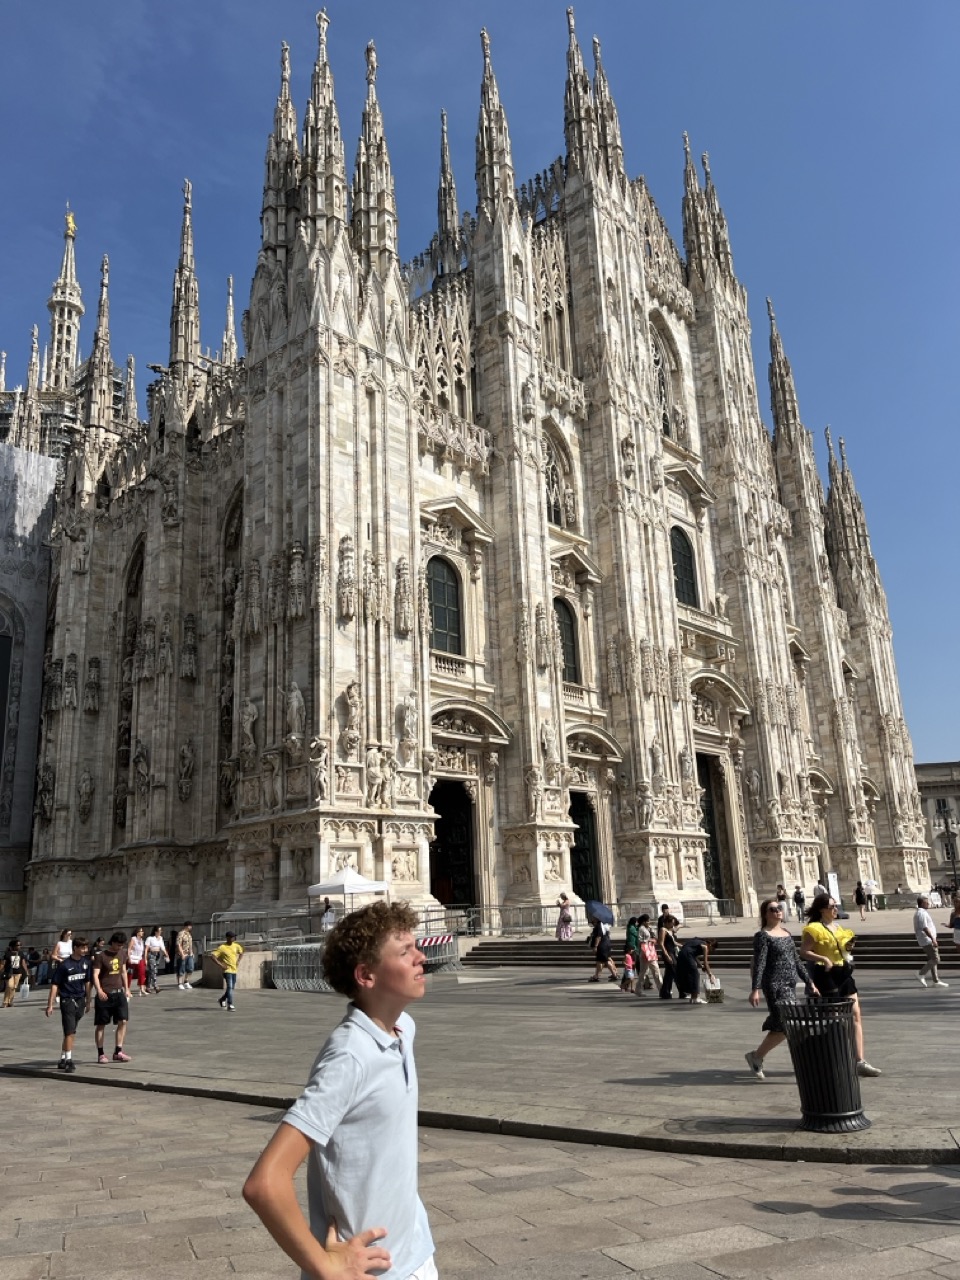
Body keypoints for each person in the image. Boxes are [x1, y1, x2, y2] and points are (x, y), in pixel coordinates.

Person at [243, 901, 433, 1280]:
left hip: (415, 1255)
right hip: (369, 1272)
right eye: (405, 952)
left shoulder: (402, 1029)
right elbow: (265, 1183)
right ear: (366, 975)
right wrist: (325, 1266)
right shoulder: (350, 1057)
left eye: (416, 946)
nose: (421, 957)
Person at [799, 893, 880, 1077]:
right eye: (832, 907)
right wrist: (824, 959)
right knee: (835, 1018)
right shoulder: (814, 929)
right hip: (826, 974)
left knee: (855, 1015)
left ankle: (860, 1061)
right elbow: (804, 952)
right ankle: (836, 1057)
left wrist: (848, 947)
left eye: (836, 906)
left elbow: (841, 950)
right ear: (822, 909)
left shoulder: (838, 927)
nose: (836, 909)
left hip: (843, 973)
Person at [745, 900, 818, 1080]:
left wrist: (809, 982)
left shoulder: (786, 933)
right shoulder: (763, 936)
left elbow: (796, 960)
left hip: (790, 984)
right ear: (765, 914)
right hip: (775, 985)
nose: (777, 911)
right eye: (773, 909)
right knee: (788, 1024)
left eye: (779, 908)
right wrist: (755, 988)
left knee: (784, 1026)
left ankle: (756, 1056)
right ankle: (801, 1063)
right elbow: (760, 963)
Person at [45, 935, 92, 1072]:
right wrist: (50, 1004)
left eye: (86, 947)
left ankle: (62, 1057)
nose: (85, 950)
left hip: (80, 999)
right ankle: (69, 1060)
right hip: (67, 1000)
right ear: (75, 948)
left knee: (70, 1031)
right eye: (82, 948)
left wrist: (89, 1000)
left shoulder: (86, 963)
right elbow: (55, 985)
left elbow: (88, 982)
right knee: (70, 1030)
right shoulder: (65, 965)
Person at [92, 931, 132, 1063]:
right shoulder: (101, 956)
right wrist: (99, 990)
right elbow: (95, 975)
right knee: (101, 1024)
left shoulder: (122, 953)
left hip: (119, 992)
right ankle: (101, 1053)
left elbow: (123, 971)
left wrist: (127, 989)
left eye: (122, 945)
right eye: (118, 945)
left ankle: (118, 1051)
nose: (120, 947)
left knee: (123, 1021)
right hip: (105, 993)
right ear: (113, 942)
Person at [914, 895, 947, 988]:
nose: (928, 903)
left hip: (926, 939)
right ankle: (921, 973)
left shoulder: (921, 912)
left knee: (932, 959)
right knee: (936, 959)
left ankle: (935, 980)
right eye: (926, 902)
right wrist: (933, 939)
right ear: (922, 903)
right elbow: (925, 928)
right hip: (927, 940)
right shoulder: (921, 914)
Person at [675, 937, 719, 1004]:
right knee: (695, 975)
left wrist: (701, 965)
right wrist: (710, 974)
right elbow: (705, 962)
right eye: (712, 949)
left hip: (681, 955)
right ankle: (695, 998)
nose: (711, 951)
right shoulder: (705, 947)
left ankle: (692, 997)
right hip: (688, 955)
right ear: (710, 945)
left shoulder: (697, 941)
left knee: (691, 974)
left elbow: (693, 955)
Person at [212, 932, 244, 1010]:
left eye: (234, 937)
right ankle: (230, 1004)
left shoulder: (236, 946)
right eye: (231, 937)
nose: (233, 939)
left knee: (231, 988)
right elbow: (213, 956)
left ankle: (222, 999)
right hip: (227, 970)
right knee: (229, 987)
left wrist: (238, 961)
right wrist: (221, 965)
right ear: (227, 938)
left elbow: (241, 952)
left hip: (234, 970)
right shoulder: (222, 947)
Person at [635, 914, 662, 995]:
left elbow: (655, 937)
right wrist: (649, 940)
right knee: (646, 972)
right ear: (644, 921)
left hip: (650, 952)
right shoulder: (641, 929)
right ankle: (639, 989)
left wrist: (652, 933)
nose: (649, 922)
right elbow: (640, 941)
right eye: (648, 921)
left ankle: (661, 989)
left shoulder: (649, 928)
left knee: (653, 971)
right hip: (645, 952)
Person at [587, 918, 619, 983]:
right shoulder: (603, 925)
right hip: (606, 944)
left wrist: (595, 946)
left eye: (594, 918)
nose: (592, 919)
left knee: (602, 961)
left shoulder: (599, 926)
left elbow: (598, 937)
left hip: (602, 945)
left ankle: (599, 976)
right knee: (603, 961)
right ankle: (612, 974)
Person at [1, 940, 29, 1007]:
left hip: (18, 972)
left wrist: (26, 971)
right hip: (9, 973)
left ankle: (10, 1001)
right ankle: (5, 1002)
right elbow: (3, 963)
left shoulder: (21, 953)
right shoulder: (7, 954)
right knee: (9, 986)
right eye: (18, 945)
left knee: (14, 987)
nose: (19, 946)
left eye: (20, 945)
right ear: (13, 946)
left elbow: (23, 963)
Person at [657, 912, 679, 999]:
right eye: (671, 923)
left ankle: (665, 992)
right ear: (667, 922)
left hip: (672, 952)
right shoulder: (663, 930)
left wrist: (683, 945)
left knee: (669, 973)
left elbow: (673, 943)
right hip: (668, 952)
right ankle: (681, 990)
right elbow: (661, 943)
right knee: (674, 970)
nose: (673, 925)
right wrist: (667, 955)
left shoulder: (669, 931)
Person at [144, 925, 169, 993]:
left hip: (157, 955)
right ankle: (155, 986)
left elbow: (162, 947)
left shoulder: (160, 938)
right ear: (155, 931)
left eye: (161, 931)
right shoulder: (150, 938)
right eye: (159, 931)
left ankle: (148, 986)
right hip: (151, 955)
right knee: (153, 970)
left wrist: (166, 954)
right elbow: (146, 949)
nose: (160, 932)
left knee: (151, 971)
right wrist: (145, 958)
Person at [127, 926, 147, 997]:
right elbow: (129, 949)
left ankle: (141, 988)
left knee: (142, 972)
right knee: (130, 974)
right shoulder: (133, 939)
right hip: (132, 958)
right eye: (141, 931)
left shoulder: (142, 940)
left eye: (142, 931)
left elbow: (142, 951)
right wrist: (129, 958)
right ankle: (127, 989)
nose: (142, 932)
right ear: (137, 932)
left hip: (139, 958)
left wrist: (144, 959)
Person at [175, 921, 195, 990]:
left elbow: (190, 944)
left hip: (189, 954)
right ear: (187, 926)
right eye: (190, 926)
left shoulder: (189, 934)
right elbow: (178, 944)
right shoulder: (181, 933)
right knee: (181, 969)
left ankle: (186, 981)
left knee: (190, 968)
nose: (191, 927)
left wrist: (191, 952)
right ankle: (180, 983)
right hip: (182, 954)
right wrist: (182, 953)